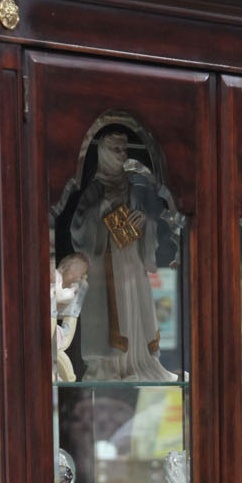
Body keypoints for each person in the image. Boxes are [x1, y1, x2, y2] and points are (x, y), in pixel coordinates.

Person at [68, 127, 175, 381]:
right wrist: (102, 212)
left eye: (124, 150)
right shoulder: (94, 190)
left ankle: (138, 364)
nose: (121, 155)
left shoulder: (130, 186)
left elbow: (144, 221)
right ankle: (111, 368)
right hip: (106, 264)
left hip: (131, 260)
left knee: (134, 309)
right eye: (115, 150)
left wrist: (143, 223)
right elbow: (78, 229)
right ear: (103, 152)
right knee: (115, 313)